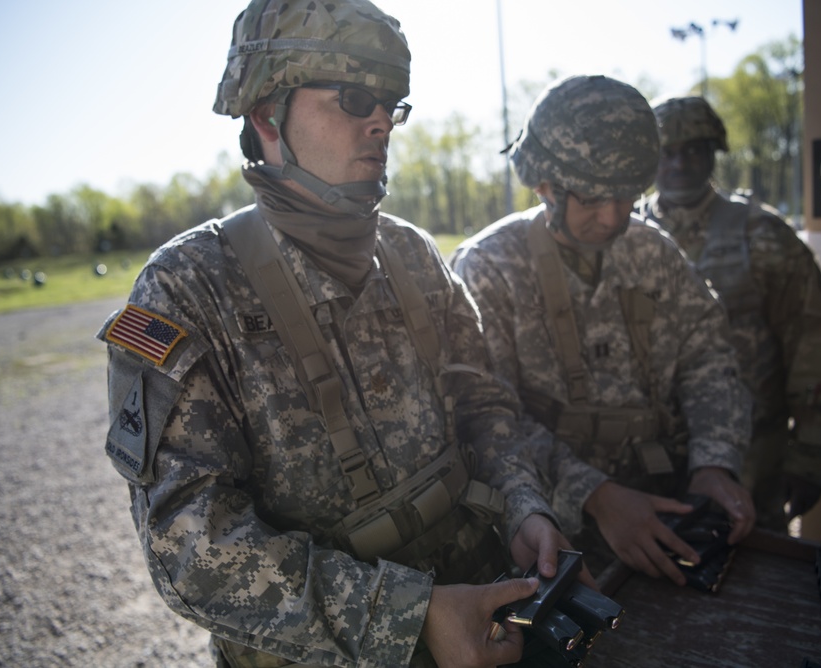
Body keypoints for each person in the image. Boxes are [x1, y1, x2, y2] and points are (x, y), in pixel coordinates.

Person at [97, 2, 581, 666]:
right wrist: (409, 619)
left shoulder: (411, 255)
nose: (381, 120)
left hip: (489, 612)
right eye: (354, 98)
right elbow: (189, 548)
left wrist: (525, 506)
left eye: (390, 104)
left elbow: (484, 408)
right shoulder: (185, 289)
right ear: (267, 113)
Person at [451, 75, 756, 586]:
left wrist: (714, 463)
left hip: (670, 499)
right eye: (591, 197)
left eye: (629, 194)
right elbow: (488, 418)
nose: (614, 217)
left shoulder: (652, 250)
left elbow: (710, 360)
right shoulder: (491, 268)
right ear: (542, 182)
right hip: (559, 528)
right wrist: (596, 495)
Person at [641, 95, 821, 532]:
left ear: (712, 154)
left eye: (693, 151)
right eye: (667, 152)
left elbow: (810, 346)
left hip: (749, 458)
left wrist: (810, 454)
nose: (678, 164)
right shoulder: (624, 233)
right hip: (648, 461)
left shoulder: (760, 235)